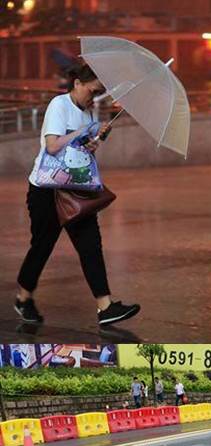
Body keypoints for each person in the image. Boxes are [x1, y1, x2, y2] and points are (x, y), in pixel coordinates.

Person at [15, 62, 139, 327]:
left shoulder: (89, 114)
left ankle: (105, 307)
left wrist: (97, 139)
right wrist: (82, 131)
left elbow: (81, 153)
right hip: (46, 190)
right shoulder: (59, 105)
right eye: (91, 91)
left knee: (90, 244)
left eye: (97, 94)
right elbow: (52, 146)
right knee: (42, 246)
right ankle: (23, 298)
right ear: (78, 84)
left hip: (75, 189)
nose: (92, 97)